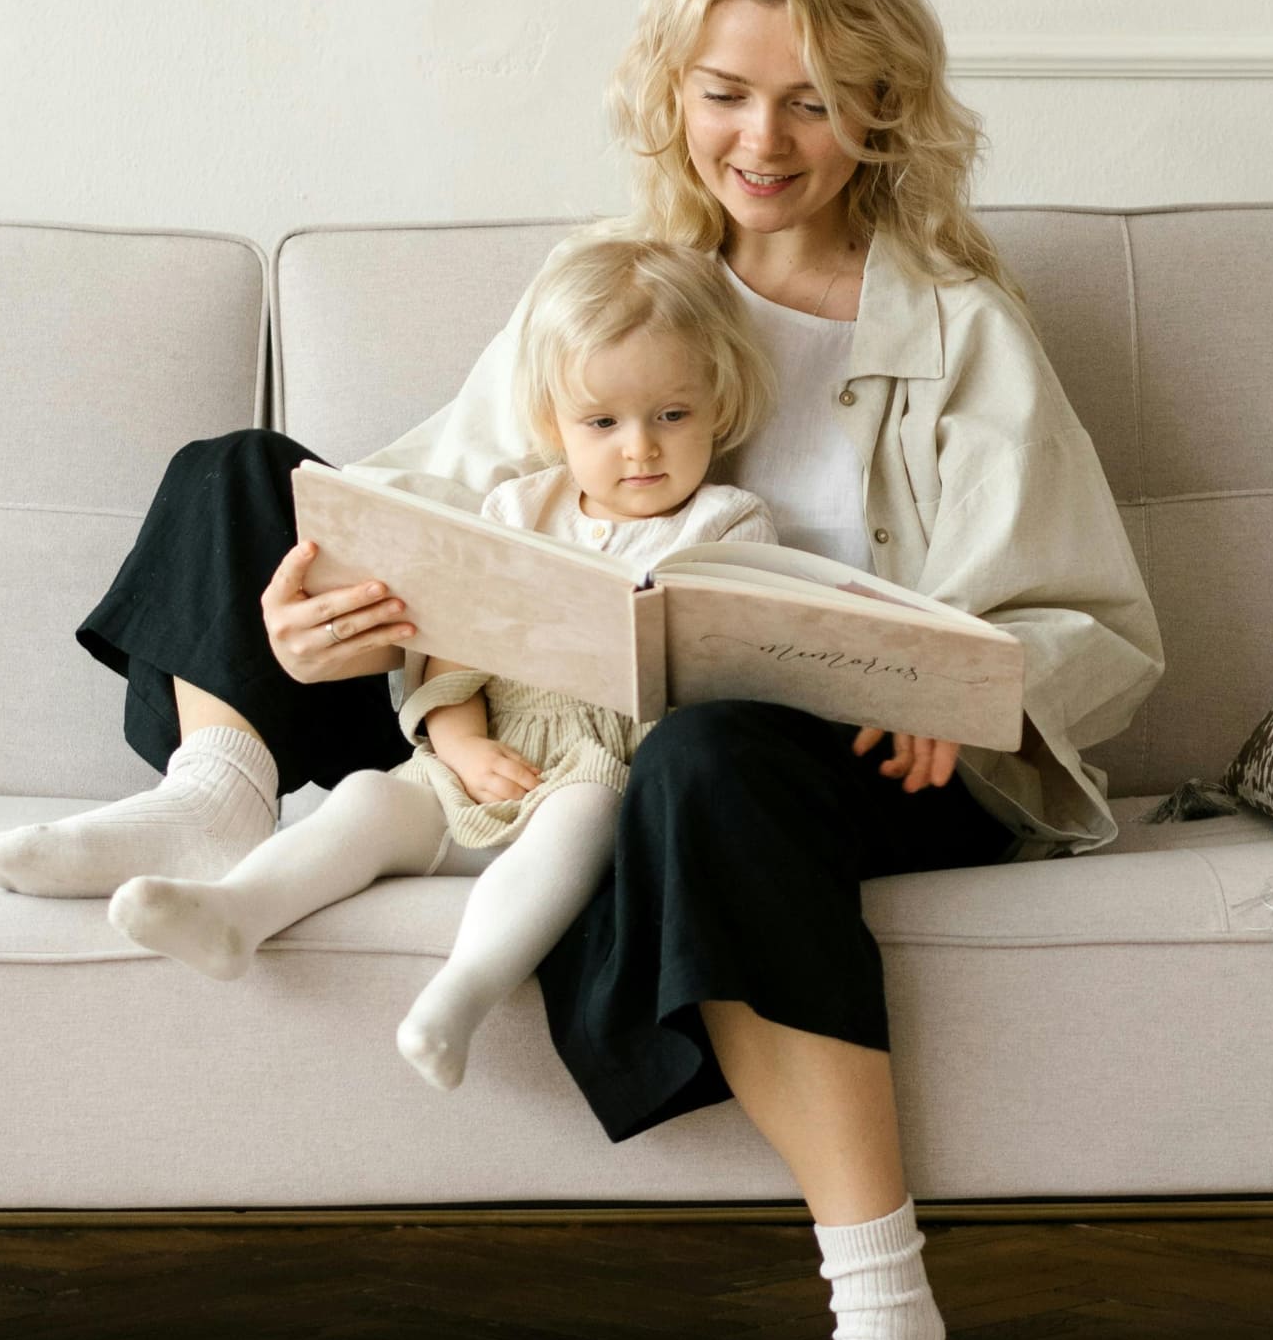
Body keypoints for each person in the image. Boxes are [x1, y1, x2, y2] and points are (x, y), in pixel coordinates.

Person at [0, 0, 1162, 1340]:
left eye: (811, 98)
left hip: (818, 770)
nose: (763, 138)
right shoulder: (607, 285)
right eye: (725, 92)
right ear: (671, 92)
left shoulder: (956, 334)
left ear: (882, 104)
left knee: (712, 756)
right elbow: (433, 504)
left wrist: (953, 691)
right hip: (542, 722)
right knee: (238, 470)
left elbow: (1082, 617)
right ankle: (217, 797)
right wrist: (329, 611)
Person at [99, 233, 776, 1093]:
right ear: (553, 426)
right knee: (370, 797)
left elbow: (737, 668)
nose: (639, 448)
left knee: (577, 823)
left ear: (720, 405)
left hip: (606, 766)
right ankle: (233, 911)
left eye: (671, 416)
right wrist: (457, 743)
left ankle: (458, 995)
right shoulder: (516, 506)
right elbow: (450, 644)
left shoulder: (727, 523)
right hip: (486, 746)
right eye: (602, 424)